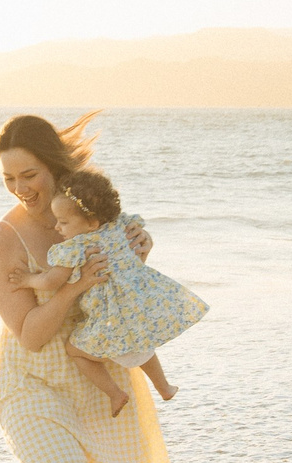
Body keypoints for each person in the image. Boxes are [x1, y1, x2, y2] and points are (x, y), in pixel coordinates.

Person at [0, 114, 188, 463]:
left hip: (98, 378)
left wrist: (140, 250)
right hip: (33, 384)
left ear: (54, 167)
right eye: (9, 178)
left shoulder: (89, 215)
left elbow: (127, 284)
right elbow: (31, 334)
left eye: (29, 174)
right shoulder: (5, 238)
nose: (21, 188)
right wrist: (74, 287)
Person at [20, 167, 208, 416]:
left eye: (63, 222)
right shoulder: (120, 226)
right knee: (143, 346)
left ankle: (115, 393)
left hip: (111, 317)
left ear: (91, 223)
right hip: (140, 305)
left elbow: (51, 281)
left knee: (75, 351)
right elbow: (140, 237)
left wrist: (26, 279)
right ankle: (164, 387)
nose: (57, 227)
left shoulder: (79, 246)